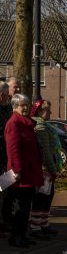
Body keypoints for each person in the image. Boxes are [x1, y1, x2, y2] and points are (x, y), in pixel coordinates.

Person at [5, 94, 43, 247]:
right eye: (22, 105)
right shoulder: (14, 123)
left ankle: (21, 234)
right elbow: (13, 149)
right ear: (15, 107)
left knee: (26, 206)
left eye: (27, 104)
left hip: (29, 171)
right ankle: (16, 237)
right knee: (21, 207)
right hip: (22, 173)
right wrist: (18, 170)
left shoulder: (25, 123)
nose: (26, 108)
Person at [29, 100, 62, 239]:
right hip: (44, 169)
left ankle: (44, 223)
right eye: (48, 110)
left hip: (47, 168)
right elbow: (46, 151)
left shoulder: (44, 125)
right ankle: (36, 226)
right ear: (40, 111)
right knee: (41, 197)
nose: (50, 113)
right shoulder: (40, 127)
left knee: (48, 195)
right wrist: (52, 168)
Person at [0, 82, 11, 237]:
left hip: (3, 158)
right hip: (1, 157)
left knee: (5, 191)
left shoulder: (4, 110)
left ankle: (4, 221)